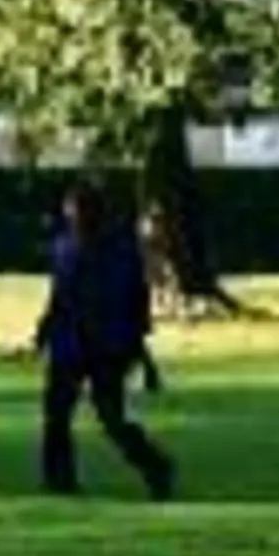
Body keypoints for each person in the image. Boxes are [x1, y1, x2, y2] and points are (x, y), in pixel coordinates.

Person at [29, 180, 176, 501]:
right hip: (69, 344)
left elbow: (136, 302)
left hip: (107, 347)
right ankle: (59, 480)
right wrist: (42, 333)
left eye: (77, 211)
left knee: (111, 419)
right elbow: (58, 297)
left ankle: (156, 467)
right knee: (56, 415)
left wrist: (139, 350)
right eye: (71, 212)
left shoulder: (120, 251)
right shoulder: (64, 248)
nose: (73, 218)